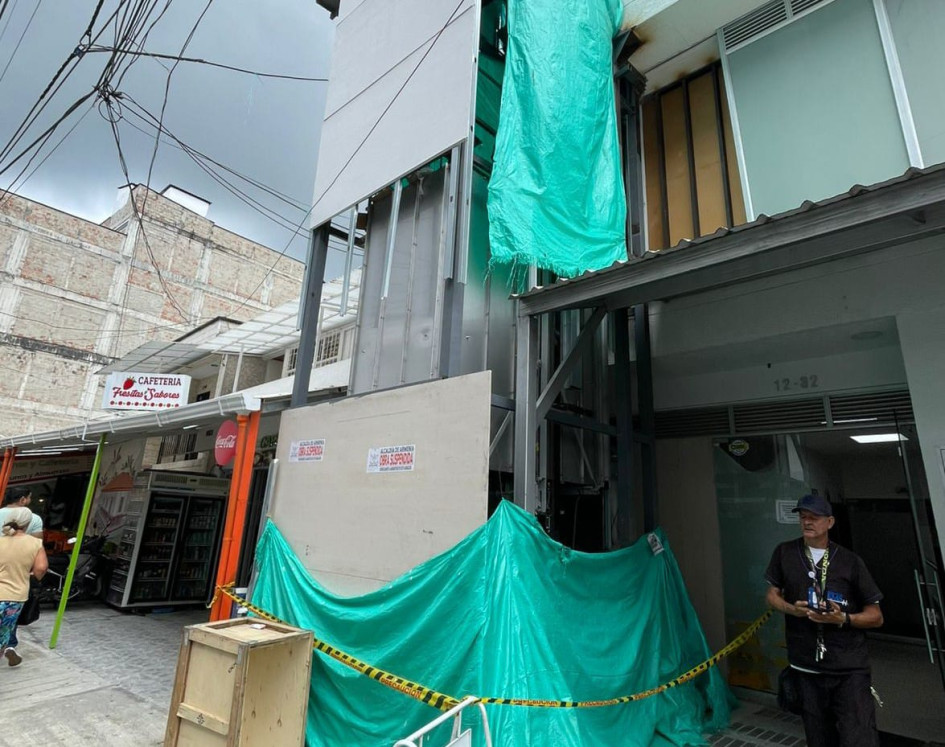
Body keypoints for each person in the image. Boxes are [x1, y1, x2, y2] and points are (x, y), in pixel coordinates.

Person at [764, 494, 884, 747]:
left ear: (829, 522)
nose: (807, 522)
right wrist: (791, 609)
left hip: (848, 667)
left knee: (859, 736)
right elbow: (771, 596)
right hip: (806, 665)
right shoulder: (785, 552)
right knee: (818, 737)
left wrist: (843, 618)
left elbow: (876, 616)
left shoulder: (850, 561)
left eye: (814, 518)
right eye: (803, 517)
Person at [0, 486, 43, 666]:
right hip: (16, 589)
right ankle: (9, 646)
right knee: (7, 625)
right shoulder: (33, 521)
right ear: (23, 499)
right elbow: (40, 567)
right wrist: (30, 574)